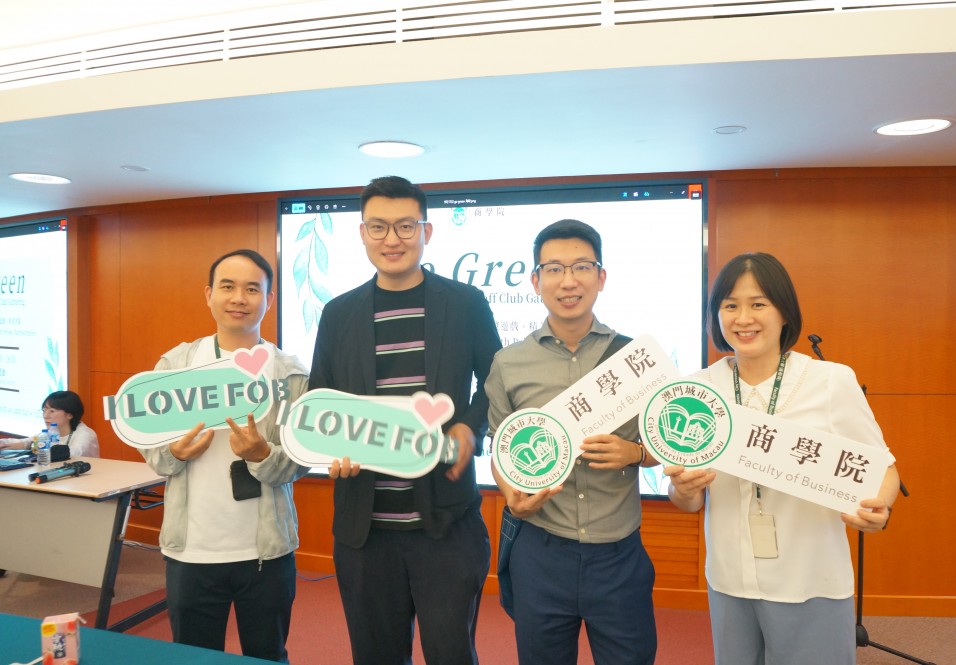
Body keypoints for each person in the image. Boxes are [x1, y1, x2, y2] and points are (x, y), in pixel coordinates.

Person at [666, 252, 900, 665]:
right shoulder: (697, 391)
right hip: (730, 579)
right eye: (730, 306)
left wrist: (879, 506)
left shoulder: (829, 381)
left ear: (784, 311)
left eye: (758, 304)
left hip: (810, 579)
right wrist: (683, 490)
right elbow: (687, 500)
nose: (743, 318)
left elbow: (882, 468)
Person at [309, 176, 501, 664]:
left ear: (426, 231)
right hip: (364, 530)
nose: (391, 239)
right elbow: (319, 400)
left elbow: (497, 382)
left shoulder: (465, 304)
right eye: (378, 226)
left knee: (451, 654)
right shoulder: (338, 313)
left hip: (446, 525)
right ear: (362, 233)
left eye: (405, 226)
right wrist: (329, 448)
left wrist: (469, 427)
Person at [486, 219, 659, 665]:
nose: (568, 281)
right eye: (554, 269)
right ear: (535, 281)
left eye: (582, 267)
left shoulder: (635, 358)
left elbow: (669, 443)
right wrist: (510, 494)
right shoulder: (509, 363)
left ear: (601, 277)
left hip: (618, 552)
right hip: (542, 548)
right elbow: (501, 448)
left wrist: (637, 453)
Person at [139, 249, 309, 663]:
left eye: (252, 289)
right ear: (209, 294)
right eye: (227, 287)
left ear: (269, 299)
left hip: (266, 552)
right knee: (194, 658)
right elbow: (153, 452)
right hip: (191, 550)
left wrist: (262, 454)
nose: (238, 298)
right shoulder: (176, 364)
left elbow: (300, 460)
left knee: (268, 655)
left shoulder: (290, 374)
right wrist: (173, 452)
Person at [0, 390, 99, 458]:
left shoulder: (85, 434)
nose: (45, 416)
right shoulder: (51, 431)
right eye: (44, 410)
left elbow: (75, 453)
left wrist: (37, 448)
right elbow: (27, 442)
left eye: (52, 411)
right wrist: (5, 443)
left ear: (69, 414)